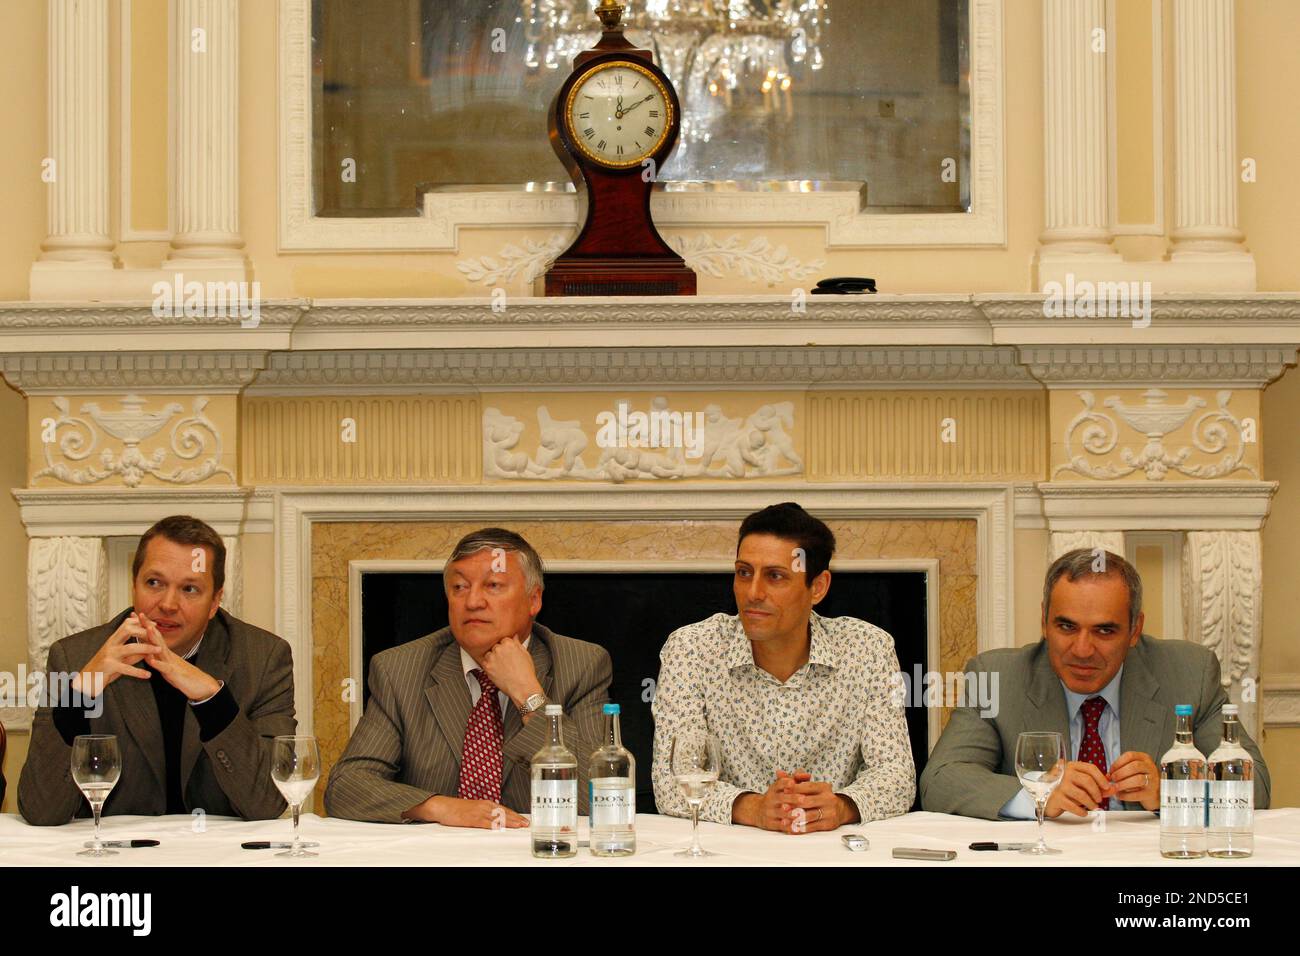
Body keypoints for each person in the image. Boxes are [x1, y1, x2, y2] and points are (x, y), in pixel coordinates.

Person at [920, 548, 1271, 819]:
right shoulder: (995, 675)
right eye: (1067, 627)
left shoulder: (1189, 673)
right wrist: (1036, 795)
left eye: (1105, 630)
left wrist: (1171, 789)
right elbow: (941, 780)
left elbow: (1255, 787)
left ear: (1135, 630)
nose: (1082, 650)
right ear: (1044, 621)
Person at [651, 503, 915, 833]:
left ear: (818, 587)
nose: (753, 593)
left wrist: (840, 806)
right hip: (727, 847)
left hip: (832, 847)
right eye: (744, 572)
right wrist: (755, 808)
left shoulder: (868, 649)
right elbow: (671, 781)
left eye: (775, 576)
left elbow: (897, 776)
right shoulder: (692, 649)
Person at [325, 529, 612, 827]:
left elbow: (596, 798)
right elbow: (346, 787)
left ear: (533, 599)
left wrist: (527, 694)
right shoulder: (399, 669)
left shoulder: (582, 665)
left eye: (493, 585)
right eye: (459, 587)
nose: (473, 601)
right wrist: (440, 808)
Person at [19, 515, 296, 824]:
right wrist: (79, 697)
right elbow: (41, 810)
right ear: (134, 585)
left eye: (190, 589)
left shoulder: (264, 658)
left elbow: (267, 805)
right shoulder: (73, 658)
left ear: (216, 600)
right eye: (154, 583)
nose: (167, 604)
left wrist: (212, 700)